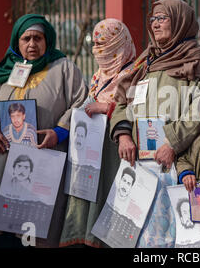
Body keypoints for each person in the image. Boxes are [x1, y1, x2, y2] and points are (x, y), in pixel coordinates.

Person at [0, 14, 89, 248]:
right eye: (26, 39)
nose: (32, 44)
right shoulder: (5, 70)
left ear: (48, 41)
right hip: (4, 162)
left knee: (39, 232)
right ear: (17, 41)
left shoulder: (64, 68)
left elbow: (82, 103)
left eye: (38, 38)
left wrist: (60, 131)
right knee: (4, 231)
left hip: (46, 162)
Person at [110, 0, 200, 247]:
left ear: (180, 21)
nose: (155, 24)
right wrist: (124, 134)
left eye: (162, 18)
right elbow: (122, 103)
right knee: (144, 236)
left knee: (178, 235)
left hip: (178, 163)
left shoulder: (199, 60)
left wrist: (172, 142)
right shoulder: (145, 61)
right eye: (153, 19)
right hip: (141, 164)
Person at [60, 18, 136, 248]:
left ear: (121, 42)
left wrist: (108, 108)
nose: (100, 51)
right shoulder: (97, 77)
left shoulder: (136, 74)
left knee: (112, 204)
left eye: (107, 44)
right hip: (92, 152)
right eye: (97, 44)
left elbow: (140, 111)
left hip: (116, 151)